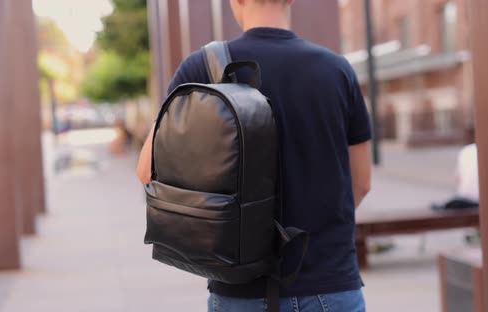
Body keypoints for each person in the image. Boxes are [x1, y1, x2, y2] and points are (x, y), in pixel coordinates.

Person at [137, 0, 372, 311]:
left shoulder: (202, 68)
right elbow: (362, 182)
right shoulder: (337, 70)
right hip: (332, 283)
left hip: (240, 291)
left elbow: (146, 170)